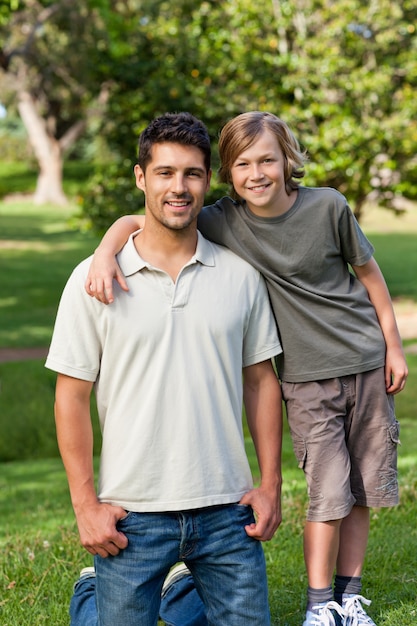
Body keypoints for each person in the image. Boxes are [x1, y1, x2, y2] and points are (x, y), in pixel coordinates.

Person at [85, 111, 408, 626]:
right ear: (229, 175)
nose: (257, 174)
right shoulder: (221, 218)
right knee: (329, 489)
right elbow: (143, 218)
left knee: (363, 488)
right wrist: (106, 251)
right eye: (242, 164)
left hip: (365, 360)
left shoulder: (328, 207)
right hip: (305, 377)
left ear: (287, 161)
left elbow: (369, 274)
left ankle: (350, 596)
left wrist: (392, 346)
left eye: (267, 161)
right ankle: (320, 603)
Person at [45, 112, 284, 626]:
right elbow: (70, 396)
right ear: (140, 178)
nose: (179, 187)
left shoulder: (240, 277)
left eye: (193, 174)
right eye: (165, 173)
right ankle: (91, 593)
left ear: (207, 181)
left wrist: (270, 484)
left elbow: (262, 382)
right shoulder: (94, 279)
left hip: (226, 512)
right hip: (132, 515)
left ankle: (179, 591)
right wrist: (86, 505)